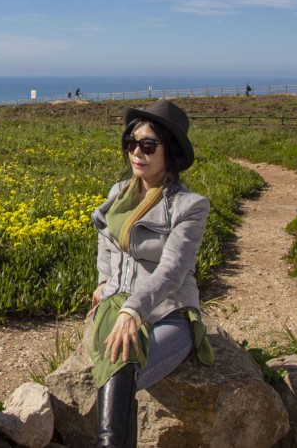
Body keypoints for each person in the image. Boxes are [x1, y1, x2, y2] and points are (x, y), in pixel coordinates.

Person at [88, 98, 213, 447]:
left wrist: (133, 311)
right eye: (131, 143)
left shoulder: (190, 206)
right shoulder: (119, 193)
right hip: (119, 300)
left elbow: (172, 271)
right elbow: (107, 242)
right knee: (120, 356)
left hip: (167, 311)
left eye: (147, 145)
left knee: (120, 361)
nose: (136, 153)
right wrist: (104, 282)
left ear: (168, 152)